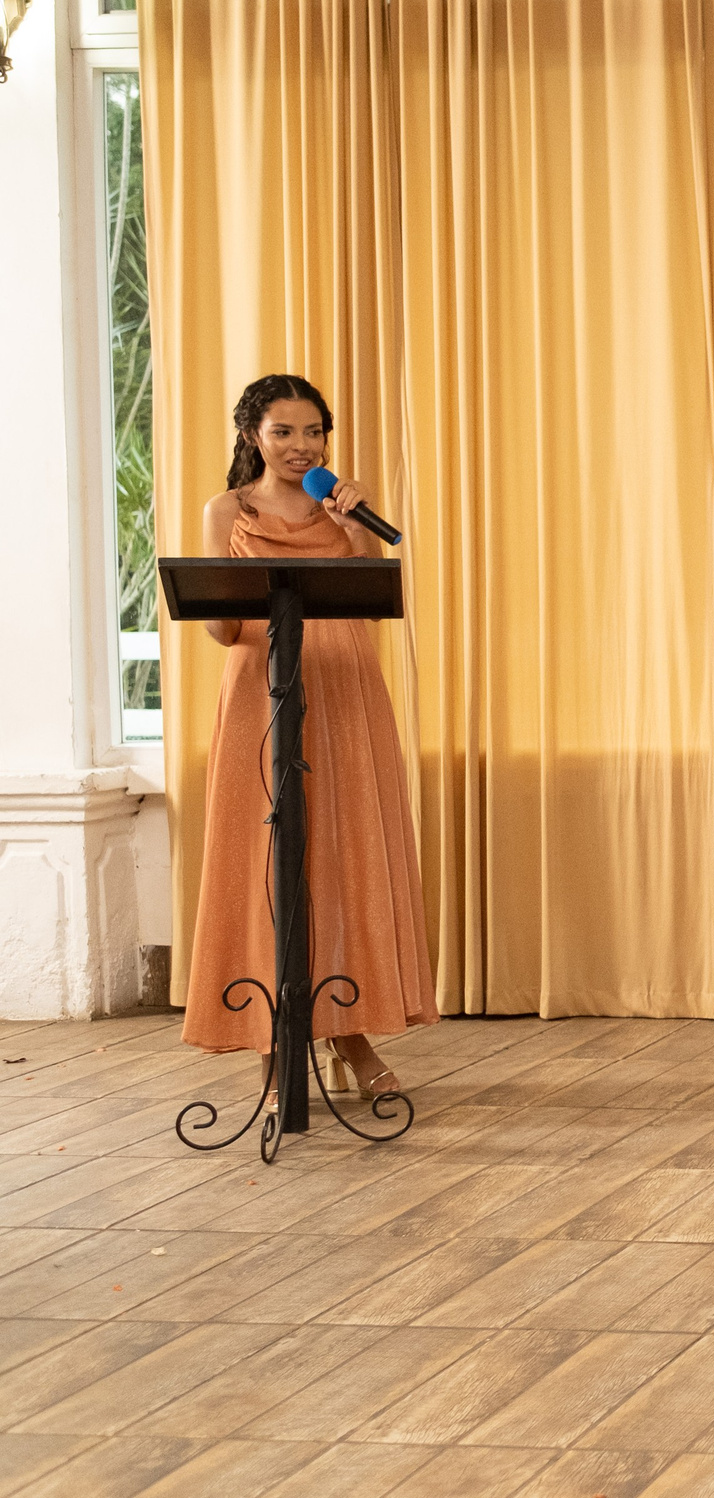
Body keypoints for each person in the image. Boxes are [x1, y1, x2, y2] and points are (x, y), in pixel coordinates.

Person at [183, 375, 436, 1097]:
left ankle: (349, 1037)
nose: (301, 446)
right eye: (284, 432)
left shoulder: (344, 508)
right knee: (268, 859)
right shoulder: (225, 510)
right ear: (250, 437)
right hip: (260, 688)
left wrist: (355, 525)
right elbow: (222, 627)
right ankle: (273, 1044)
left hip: (342, 689)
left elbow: (372, 595)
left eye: (313, 432)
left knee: (341, 854)